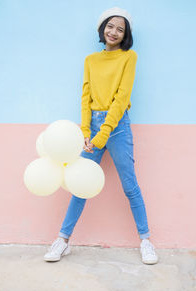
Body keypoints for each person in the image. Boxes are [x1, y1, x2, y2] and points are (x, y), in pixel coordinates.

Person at [44, 7, 158, 264]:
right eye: (110, 26)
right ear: (102, 28)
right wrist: (86, 132)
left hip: (117, 127)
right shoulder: (90, 61)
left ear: (125, 34)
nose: (114, 32)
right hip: (92, 130)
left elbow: (122, 97)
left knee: (130, 185)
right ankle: (62, 240)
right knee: (80, 184)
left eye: (120, 28)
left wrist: (103, 133)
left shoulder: (129, 57)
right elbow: (86, 98)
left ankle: (146, 240)